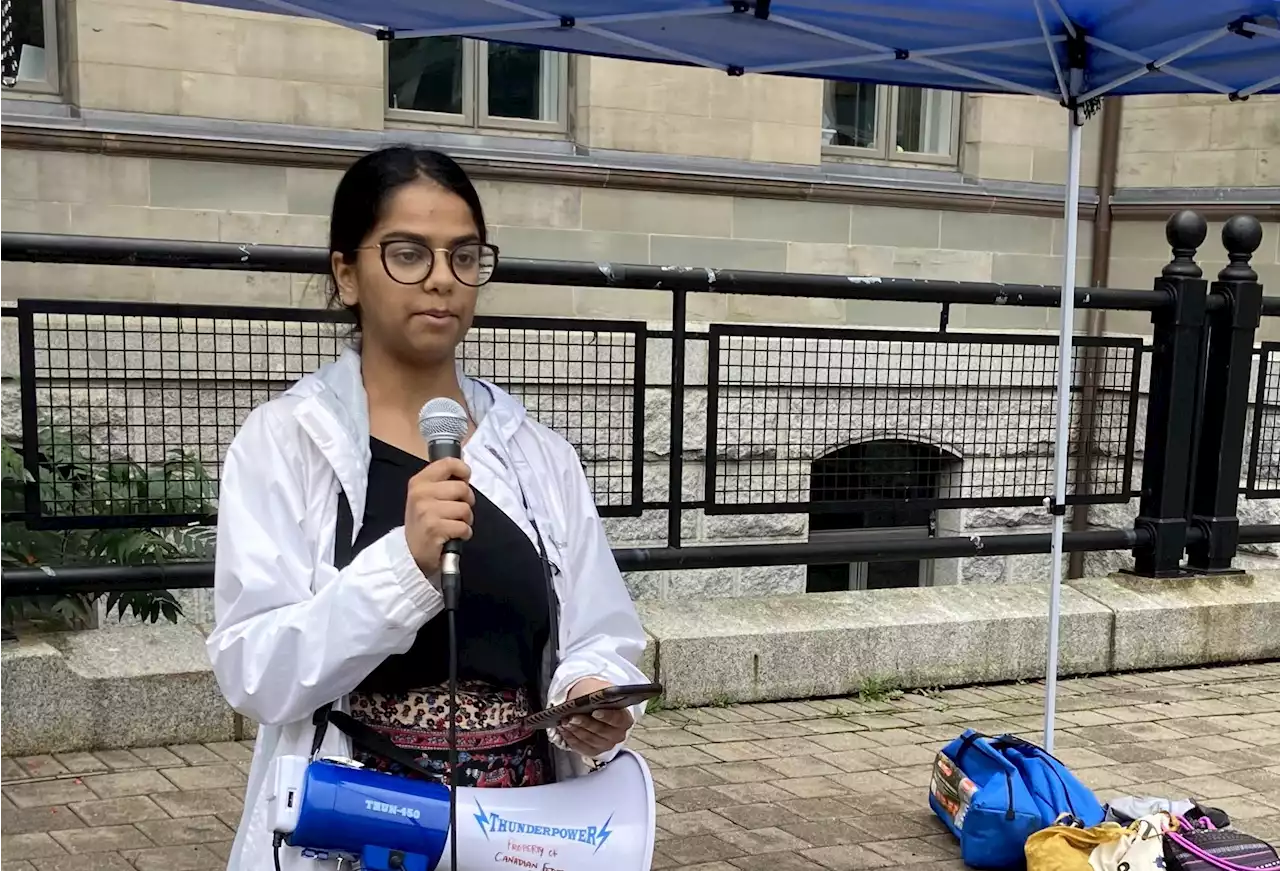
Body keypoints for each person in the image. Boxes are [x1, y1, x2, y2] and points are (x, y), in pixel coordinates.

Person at [207, 145, 650, 871]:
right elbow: (258, 671)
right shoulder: (286, 442)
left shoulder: (536, 456)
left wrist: (589, 697)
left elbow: (598, 631)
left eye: (464, 255)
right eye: (408, 253)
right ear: (346, 273)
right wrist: (403, 566)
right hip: (356, 822)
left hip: (520, 827)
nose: (442, 278)